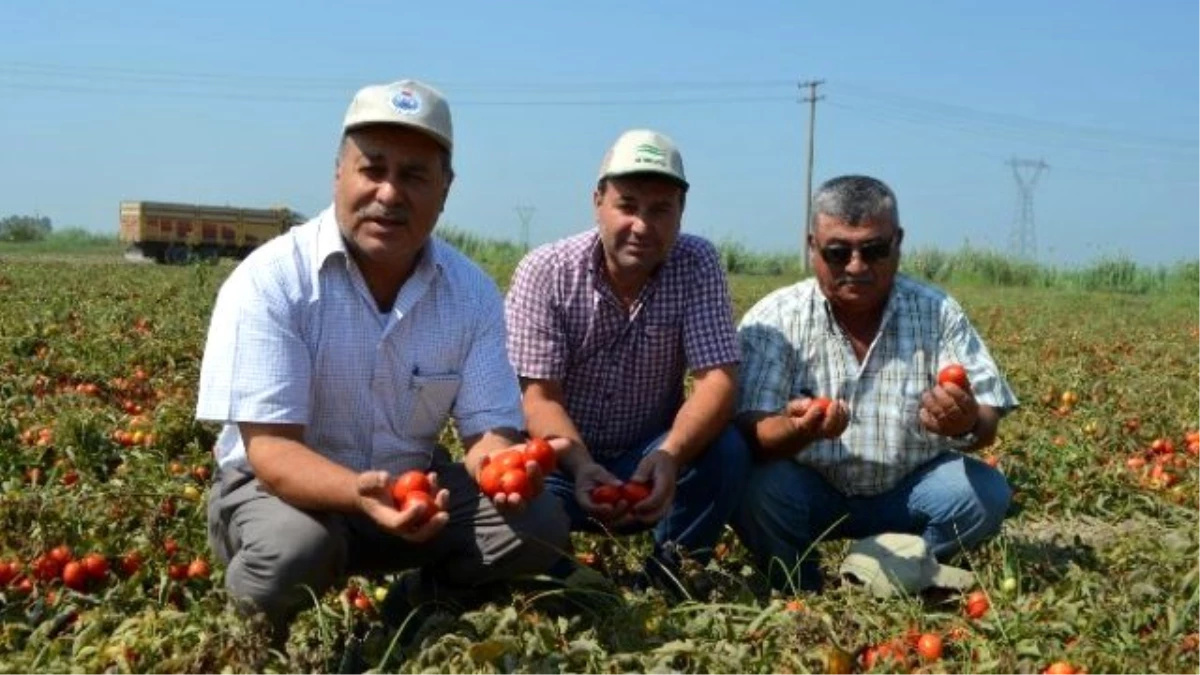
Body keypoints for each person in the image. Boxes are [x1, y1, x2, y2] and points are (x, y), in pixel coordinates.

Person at [196, 79, 570, 636]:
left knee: (536, 523)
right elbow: (272, 451)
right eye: (373, 169)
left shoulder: (470, 293)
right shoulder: (272, 280)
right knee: (294, 550)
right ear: (339, 174)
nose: (390, 194)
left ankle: (421, 607)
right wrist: (361, 493)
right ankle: (253, 638)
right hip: (284, 496)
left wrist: (502, 466)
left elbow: (486, 433)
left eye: (415, 175)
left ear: (445, 190)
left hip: (413, 499)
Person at [732, 174, 1018, 593]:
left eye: (874, 249)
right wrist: (797, 429)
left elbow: (988, 417)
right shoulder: (775, 318)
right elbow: (748, 427)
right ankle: (800, 580)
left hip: (911, 489)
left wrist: (967, 421)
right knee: (754, 487)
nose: (856, 266)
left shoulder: (936, 312)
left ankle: (902, 566)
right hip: (810, 490)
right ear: (812, 246)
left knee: (984, 494)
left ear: (897, 242)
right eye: (837, 252)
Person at [504, 129, 750, 591]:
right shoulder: (547, 271)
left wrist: (670, 455)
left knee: (726, 449)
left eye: (660, 209)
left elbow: (717, 379)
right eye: (628, 205)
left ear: (681, 211)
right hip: (562, 466)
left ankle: (672, 570)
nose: (642, 224)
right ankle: (557, 572)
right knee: (513, 480)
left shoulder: (696, 263)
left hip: (648, 454)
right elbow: (539, 398)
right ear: (598, 201)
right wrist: (580, 466)